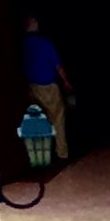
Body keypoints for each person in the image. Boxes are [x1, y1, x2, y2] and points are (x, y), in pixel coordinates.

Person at [20, 17, 67, 165]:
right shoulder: (45, 43)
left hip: (31, 86)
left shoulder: (23, 44)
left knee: (37, 119)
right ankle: (61, 153)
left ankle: (38, 155)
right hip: (48, 86)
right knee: (58, 118)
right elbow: (58, 66)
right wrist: (66, 82)